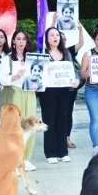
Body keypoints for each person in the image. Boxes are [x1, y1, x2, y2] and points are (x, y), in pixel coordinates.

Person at [35, 27, 81, 163]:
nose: (55, 37)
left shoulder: (66, 53)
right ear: (46, 38)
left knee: (63, 118)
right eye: (51, 35)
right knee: (49, 120)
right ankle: (50, 153)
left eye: (57, 35)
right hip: (47, 92)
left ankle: (63, 152)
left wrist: (77, 80)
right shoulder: (41, 53)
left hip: (64, 91)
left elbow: (74, 70)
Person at [0, 29, 40, 169]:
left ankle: (26, 158)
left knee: (31, 125)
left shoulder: (33, 59)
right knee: (16, 126)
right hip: (15, 93)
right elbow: (2, 79)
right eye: (18, 39)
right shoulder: (7, 59)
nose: (21, 41)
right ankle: (13, 158)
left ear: (27, 41)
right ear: (13, 41)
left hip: (30, 94)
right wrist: (15, 76)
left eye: (24, 39)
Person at [51, 13, 85, 149]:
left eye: (64, 38)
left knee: (67, 113)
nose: (61, 40)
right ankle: (56, 139)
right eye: (60, 37)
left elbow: (81, 43)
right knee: (56, 114)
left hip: (70, 89)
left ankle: (67, 138)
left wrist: (80, 30)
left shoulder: (70, 50)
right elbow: (49, 33)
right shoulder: (50, 51)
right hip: (55, 88)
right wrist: (53, 21)